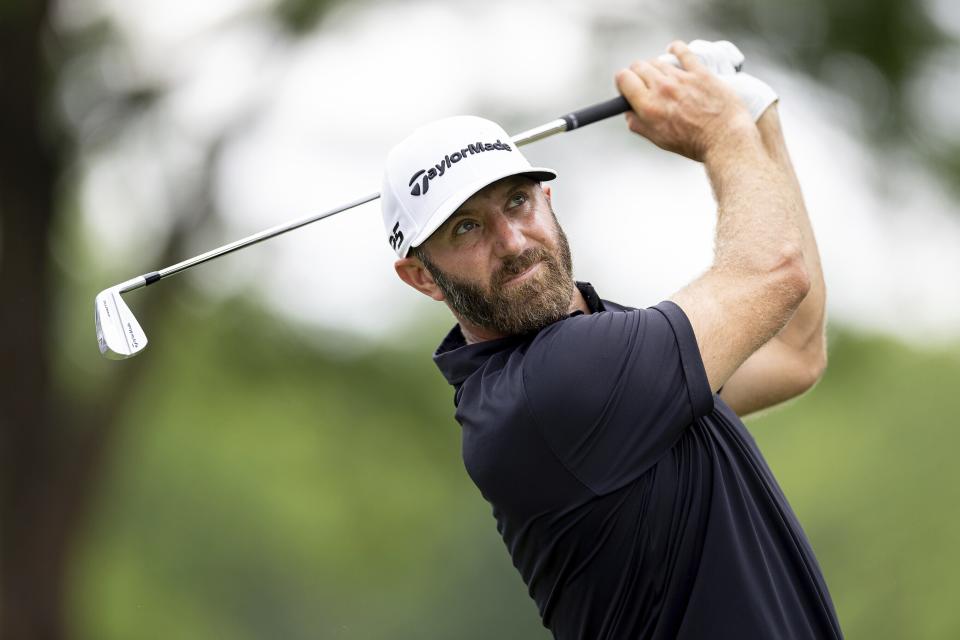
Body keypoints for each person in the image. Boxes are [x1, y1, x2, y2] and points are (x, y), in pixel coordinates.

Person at [381, 40, 840, 639]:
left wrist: (757, 121)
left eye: (517, 201)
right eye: (467, 227)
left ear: (548, 199)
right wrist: (724, 133)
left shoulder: (607, 355)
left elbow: (793, 352)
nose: (514, 241)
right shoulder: (551, 388)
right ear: (422, 276)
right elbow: (774, 274)